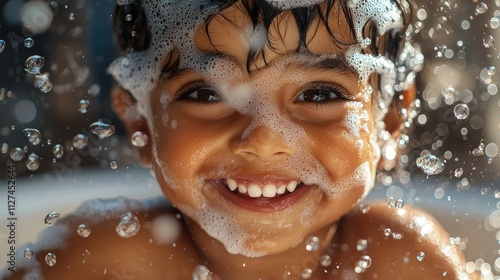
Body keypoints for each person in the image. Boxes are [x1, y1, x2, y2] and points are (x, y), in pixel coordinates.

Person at [2, 0, 478, 279]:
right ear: (140, 120)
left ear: (390, 118)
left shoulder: (402, 260)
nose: (265, 139)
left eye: (319, 93)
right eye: (207, 93)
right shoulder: (104, 262)